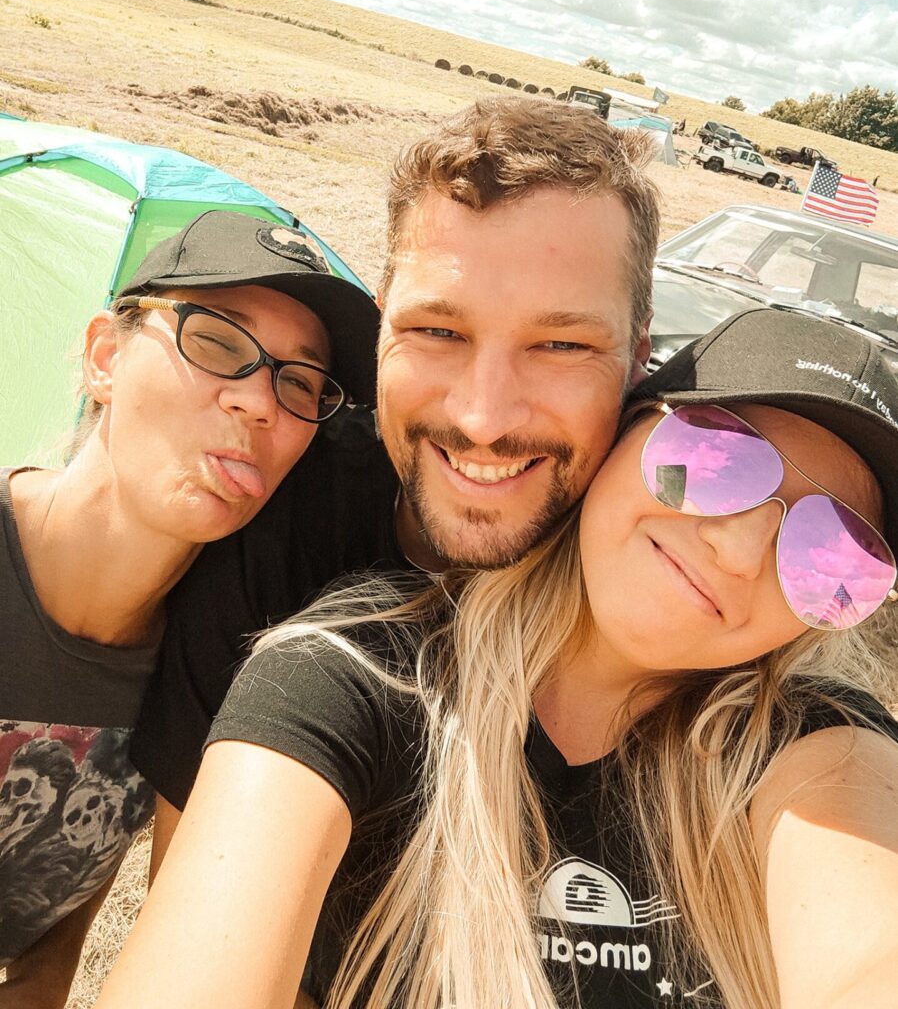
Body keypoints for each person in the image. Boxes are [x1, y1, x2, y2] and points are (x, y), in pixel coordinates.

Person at [97, 307, 898, 1009]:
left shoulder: (822, 755)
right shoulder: (351, 675)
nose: (741, 551)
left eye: (834, 551)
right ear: (620, 433)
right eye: (720, 457)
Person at [128, 97, 663, 876]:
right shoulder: (285, 511)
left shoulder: (673, 563)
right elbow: (189, 883)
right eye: (438, 332)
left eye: (561, 344)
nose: (482, 419)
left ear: (638, 360)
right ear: (381, 330)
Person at [0, 209, 379, 1006]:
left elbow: (46, 943)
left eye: (300, 382)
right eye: (216, 341)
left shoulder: (211, 660)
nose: (260, 402)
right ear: (105, 357)